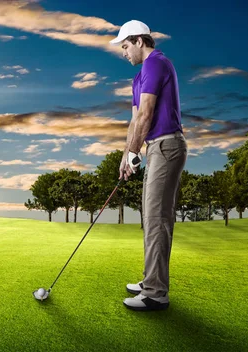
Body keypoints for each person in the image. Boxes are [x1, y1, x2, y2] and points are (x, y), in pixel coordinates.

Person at [109, 20, 188, 311]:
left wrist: (134, 152)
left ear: (140, 40)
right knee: (150, 217)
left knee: (157, 219)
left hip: (167, 145)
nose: (124, 52)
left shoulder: (157, 63)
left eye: (126, 46)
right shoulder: (138, 77)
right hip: (155, 148)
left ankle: (156, 293)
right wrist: (126, 155)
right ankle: (150, 279)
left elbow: (147, 113)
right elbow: (135, 120)